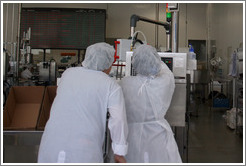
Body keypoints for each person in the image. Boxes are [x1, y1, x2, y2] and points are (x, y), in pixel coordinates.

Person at [38, 42, 128, 163]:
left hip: (50, 146)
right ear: (107, 64)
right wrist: (119, 152)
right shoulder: (110, 85)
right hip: (83, 151)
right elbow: (118, 120)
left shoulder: (68, 74)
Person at [119, 44, 182, 163]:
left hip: (132, 136)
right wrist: (154, 58)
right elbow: (165, 71)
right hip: (157, 136)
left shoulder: (125, 83)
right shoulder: (164, 82)